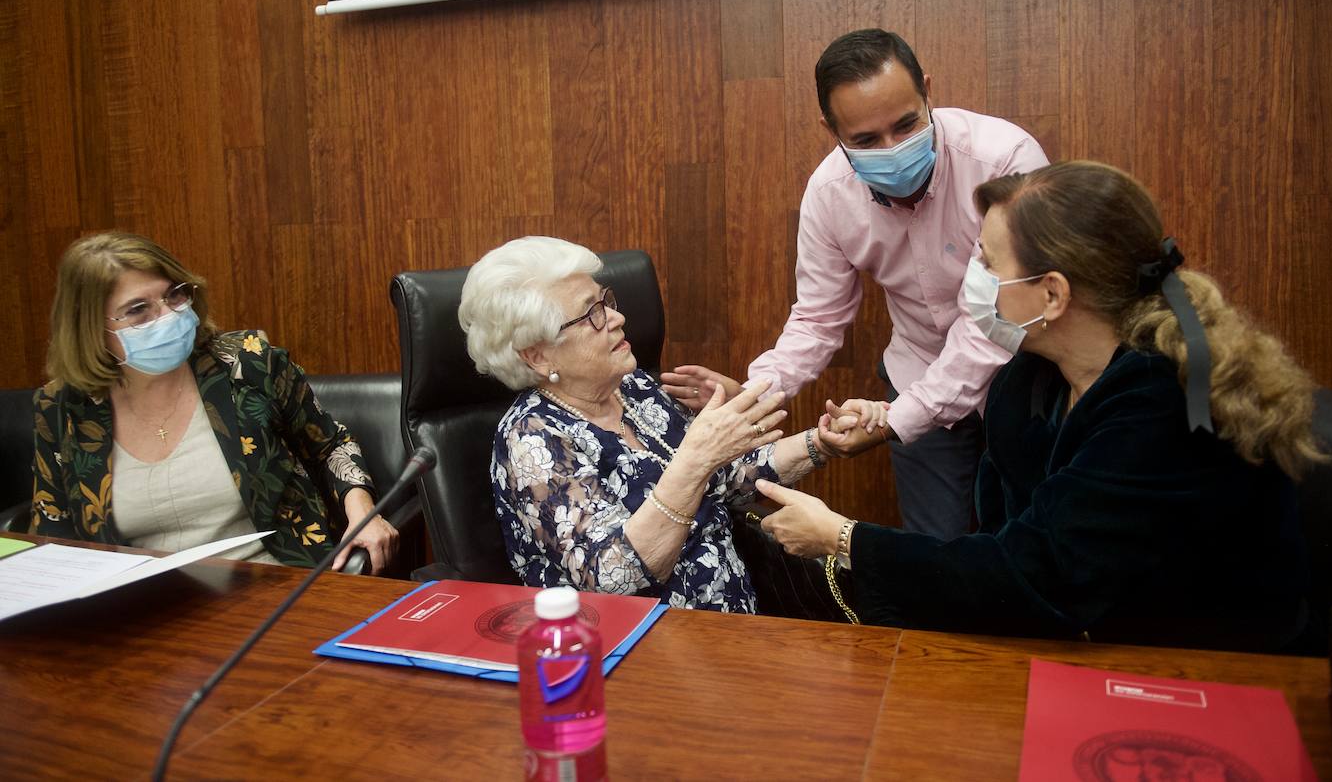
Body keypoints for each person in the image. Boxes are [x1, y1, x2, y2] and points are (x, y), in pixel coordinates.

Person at [752, 161, 1321, 651]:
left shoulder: (1164, 403)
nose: (973, 280)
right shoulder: (1029, 379)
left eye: (988, 262)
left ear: (1052, 294)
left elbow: (1036, 579)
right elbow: (1004, 553)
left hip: (1208, 672)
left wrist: (842, 538)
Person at [663, 27, 1049, 539]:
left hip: (1022, 374)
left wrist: (896, 419)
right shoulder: (830, 193)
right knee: (933, 552)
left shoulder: (1004, 160)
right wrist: (756, 393)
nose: (892, 149)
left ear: (927, 90)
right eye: (865, 140)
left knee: (1033, 536)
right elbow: (818, 318)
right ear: (831, 129)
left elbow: (992, 319)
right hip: (917, 374)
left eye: (906, 125)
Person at [460, 236, 839, 612]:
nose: (617, 317)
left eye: (605, 301)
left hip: (733, 623)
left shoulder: (633, 387)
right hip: (641, 647)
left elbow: (726, 475)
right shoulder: (534, 440)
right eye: (591, 314)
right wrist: (695, 460)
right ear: (538, 356)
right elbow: (612, 577)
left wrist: (822, 442)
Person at [30, 232, 398, 572]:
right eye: (139, 309)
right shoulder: (61, 407)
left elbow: (330, 445)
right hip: (139, 611)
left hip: (272, 583)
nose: (168, 315)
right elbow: (53, 526)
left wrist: (363, 512)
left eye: (174, 294)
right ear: (91, 329)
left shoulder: (248, 363)